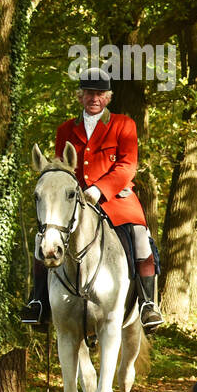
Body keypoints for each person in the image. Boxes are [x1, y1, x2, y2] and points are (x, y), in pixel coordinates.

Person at [21, 66, 164, 332]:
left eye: (99, 93)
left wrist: (100, 189)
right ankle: (38, 301)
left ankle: (147, 305)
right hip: (75, 201)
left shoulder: (124, 124)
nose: (94, 98)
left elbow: (127, 165)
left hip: (115, 198)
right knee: (45, 236)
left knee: (140, 237)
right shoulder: (65, 129)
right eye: (89, 93)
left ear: (108, 97)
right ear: (80, 96)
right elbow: (61, 169)